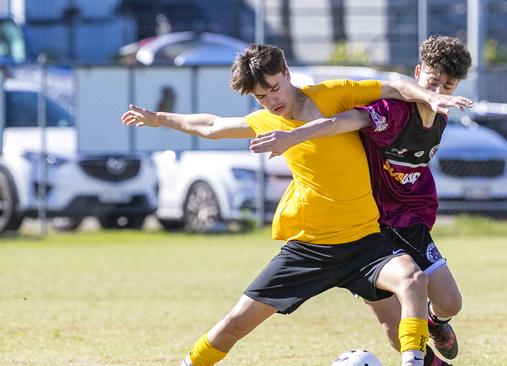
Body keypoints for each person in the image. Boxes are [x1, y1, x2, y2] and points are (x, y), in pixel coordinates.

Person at [121, 43, 472, 366]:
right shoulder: (264, 121)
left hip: (366, 241)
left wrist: (430, 95)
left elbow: (395, 88)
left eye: (274, 88)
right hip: (311, 247)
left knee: (411, 281)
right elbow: (211, 125)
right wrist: (159, 119)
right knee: (234, 325)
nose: (271, 100)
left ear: (287, 74)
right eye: (260, 96)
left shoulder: (333, 94)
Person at [249, 36, 471, 363]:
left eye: (447, 87)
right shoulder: (392, 111)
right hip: (368, 225)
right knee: (393, 323)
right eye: (432, 83)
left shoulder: (440, 116)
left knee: (451, 303)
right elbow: (344, 122)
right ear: (418, 72)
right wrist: (294, 136)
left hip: (409, 222)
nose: (437, 93)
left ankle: (434, 322)